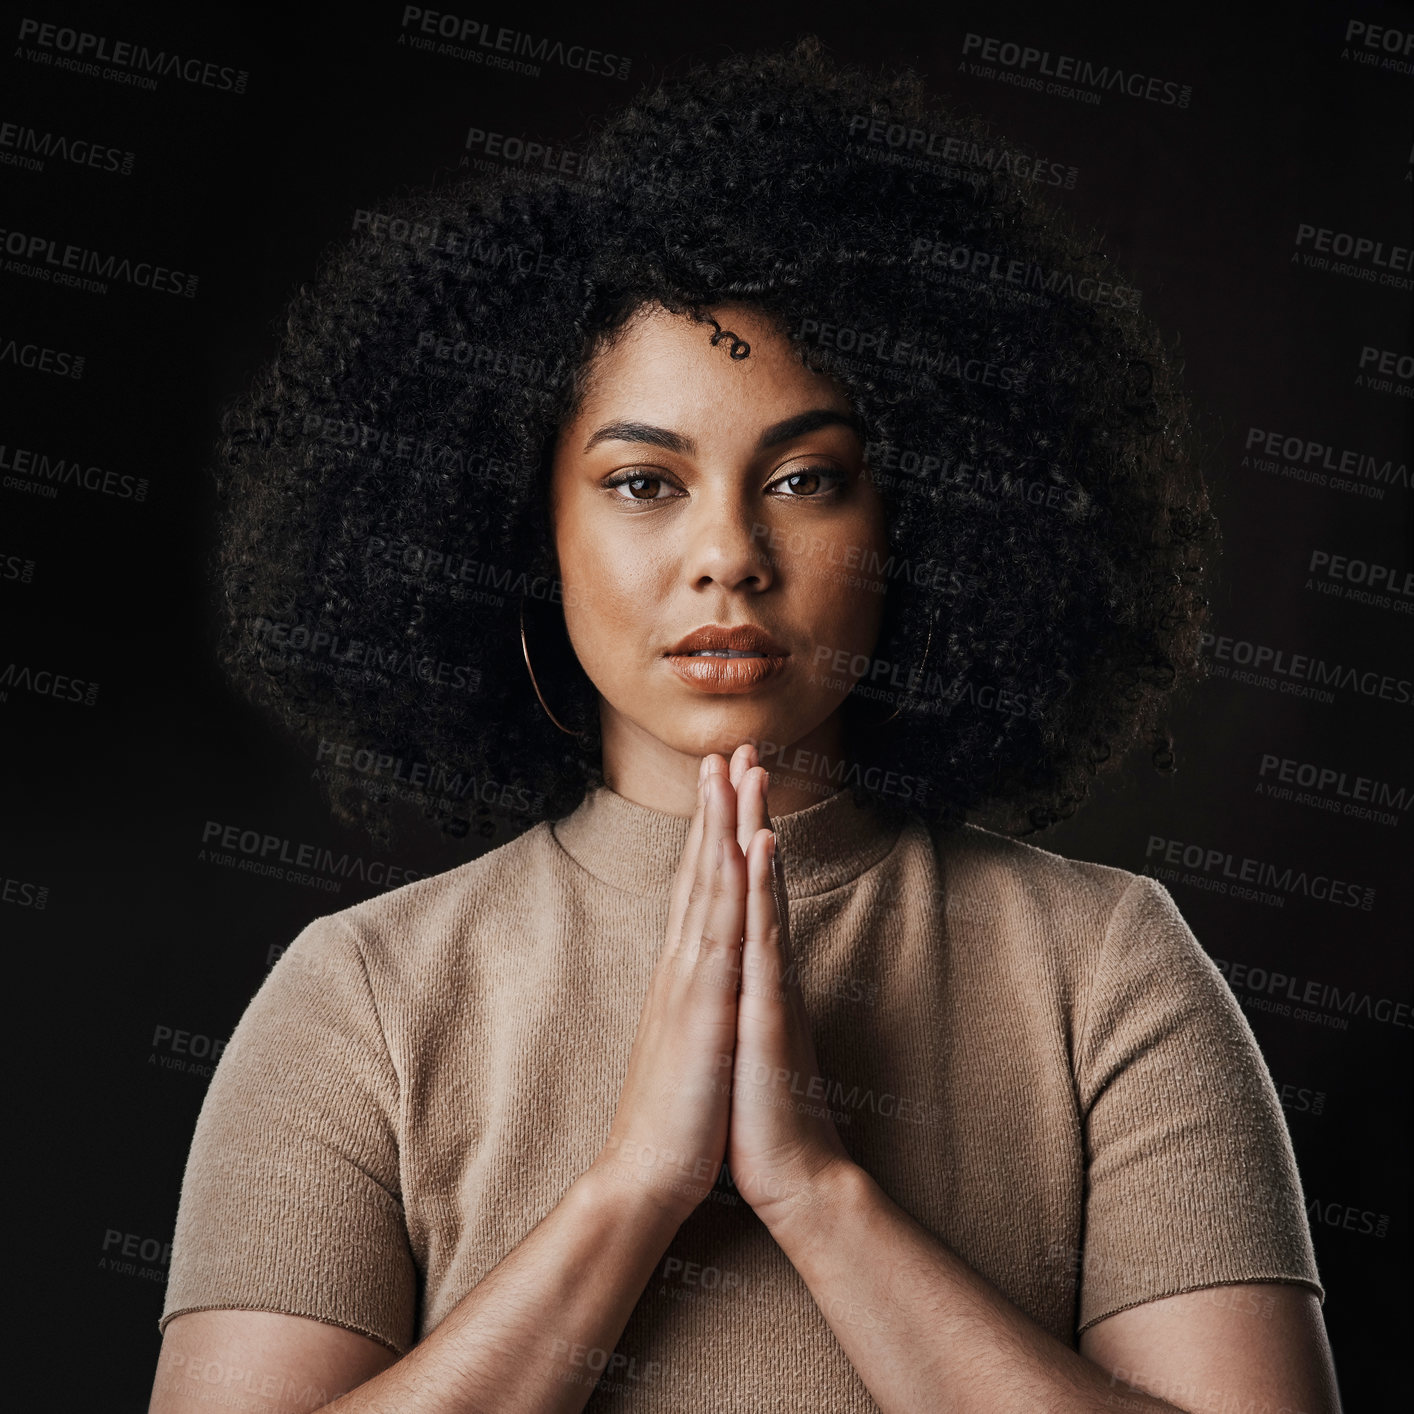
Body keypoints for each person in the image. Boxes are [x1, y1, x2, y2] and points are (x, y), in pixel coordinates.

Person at [148, 37, 1341, 1414]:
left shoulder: (1105, 970)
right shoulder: (359, 993)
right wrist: (632, 1188)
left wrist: (819, 1193)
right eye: (645, 482)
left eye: (806, 477)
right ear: (523, 526)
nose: (729, 552)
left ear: (922, 523)